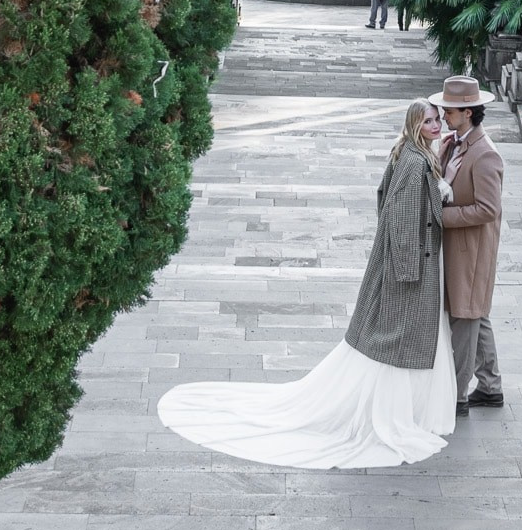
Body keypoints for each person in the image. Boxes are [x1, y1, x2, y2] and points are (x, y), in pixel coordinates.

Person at [156, 102, 457, 467]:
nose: (436, 125)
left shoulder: (407, 152)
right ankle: (395, 413)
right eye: (429, 121)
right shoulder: (414, 161)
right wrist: (411, 263)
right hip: (408, 266)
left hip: (400, 260)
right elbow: (402, 216)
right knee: (395, 336)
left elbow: (383, 198)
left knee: (391, 337)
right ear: (414, 124)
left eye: (437, 119)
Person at [431, 75, 505, 411]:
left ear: (468, 113)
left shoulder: (485, 155)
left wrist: (443, 218)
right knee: (475, 314)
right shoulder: (455, 143)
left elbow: (488, 210)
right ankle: (490, 386)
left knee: (464, 317)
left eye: (450, 110)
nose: (444, 114)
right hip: (458, 249)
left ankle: (457, 395)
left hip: (472, 252)